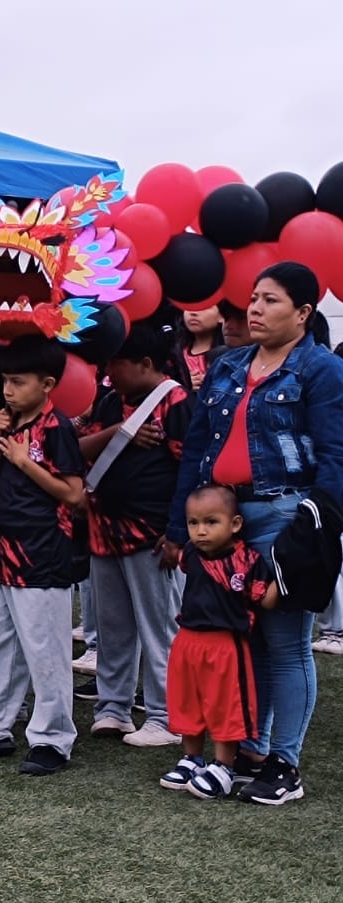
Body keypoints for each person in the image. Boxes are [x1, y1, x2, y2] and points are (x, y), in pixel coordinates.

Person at [162, 261, 343, 806]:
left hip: (287, 517)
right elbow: (197, 448)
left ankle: (285, 765)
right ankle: (252, 750)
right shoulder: (229, 364)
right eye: (254, 298)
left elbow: (335, 455)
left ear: (304, 313)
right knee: (247, 637)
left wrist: (314, 527)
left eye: (271, 300)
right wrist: (179, 527)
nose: (255, 309)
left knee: (286, 644)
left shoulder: (321, 369)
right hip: (226, 520)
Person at [0, 337, 86, 776]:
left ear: (46, 384)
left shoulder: (57, 428)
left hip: (41, 548)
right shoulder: (7, 423)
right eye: (5, 381)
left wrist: (27, 462)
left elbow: (74, 494)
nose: (8, 390)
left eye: (18, 382)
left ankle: (53, 738)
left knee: (45, 648)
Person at [79, 324, 191, 748]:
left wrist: (177, 531)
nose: (109, 371)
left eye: (117, 363)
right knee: (112, 627)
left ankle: (166, 715)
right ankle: (113, 707)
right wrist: (119, 432)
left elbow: (191, 470)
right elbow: (78, 448)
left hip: (151, 536)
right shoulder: (111, 402)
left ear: (145, 363)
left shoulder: (176, 402)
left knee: (160, 628)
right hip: (104, 530)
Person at [158, 485, 278, 799]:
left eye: (211, 522)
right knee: (187, 702)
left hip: (226, 644)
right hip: (187, 640)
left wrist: (287, 575)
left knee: (225, 706)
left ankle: (224, 767)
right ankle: (192, 759)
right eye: (193, 523)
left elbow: (264, 600)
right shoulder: (191, 553)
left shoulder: (247, 560)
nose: (201, 531)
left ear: (235, 524)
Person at [180, 305, 223, 391]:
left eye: (204, 307)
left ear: (222, 316)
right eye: (188, 306)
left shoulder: (232, 354)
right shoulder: (174, 354)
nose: (193, 312)